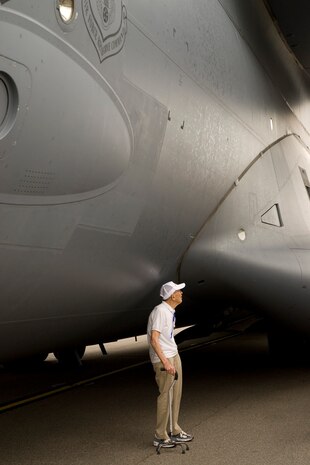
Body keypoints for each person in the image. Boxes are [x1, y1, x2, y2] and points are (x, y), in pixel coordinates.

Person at [147, 281, 193, 448]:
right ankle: (160, 435)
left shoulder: (169, 311)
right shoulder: (160, 312)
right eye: (179, 291)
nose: (181, 293)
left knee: (176, 393)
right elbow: (154, 339)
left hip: (172, 354)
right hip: (164, 359)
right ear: (172, 295)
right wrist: (166, 362)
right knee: (165, 395)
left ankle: (174, 430)